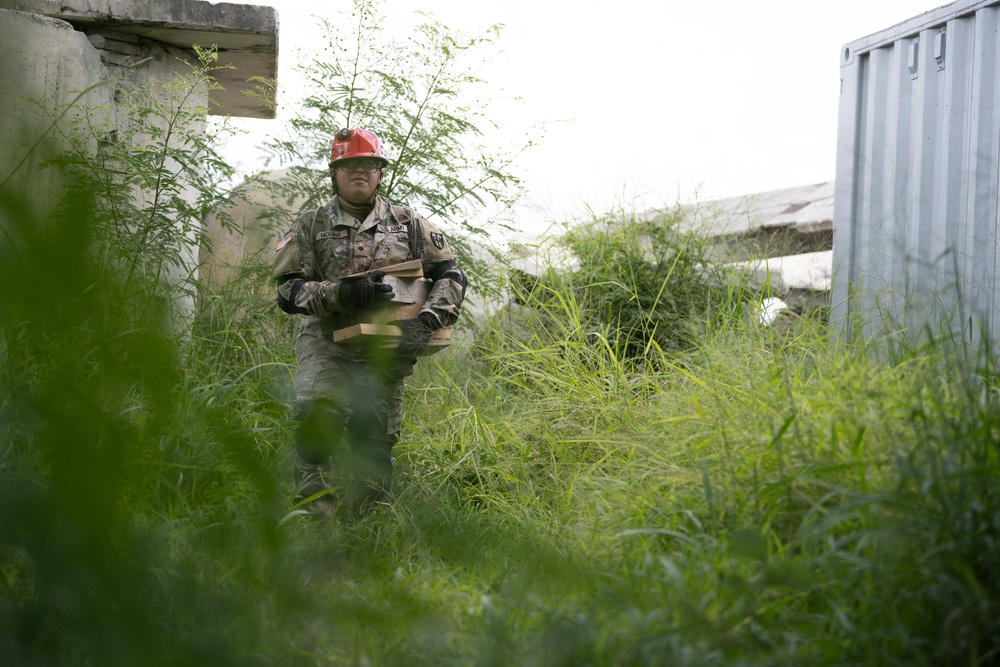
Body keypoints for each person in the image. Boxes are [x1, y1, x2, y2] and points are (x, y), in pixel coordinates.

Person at [271, 127, 468, 517]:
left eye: (369, 164)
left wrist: (427, 323)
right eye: (349, 165)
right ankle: (314, 522)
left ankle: (369, 534)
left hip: (384, 350)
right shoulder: (309, 224)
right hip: (326, 344)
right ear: (334, 173)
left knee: (373, 444)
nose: (359, 171)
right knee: (317, 426)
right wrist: (339, 294)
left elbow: (452, 275)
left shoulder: (408, 223)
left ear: (381, 173)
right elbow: (287, 293)